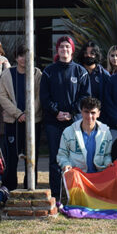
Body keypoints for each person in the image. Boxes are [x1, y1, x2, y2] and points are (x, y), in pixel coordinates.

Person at [39, 36, 90, 197]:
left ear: (72, 50)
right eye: (61, 47)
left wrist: (72, 112)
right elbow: (44, 97)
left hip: (74, 122)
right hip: (53, 123)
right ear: (57, 50)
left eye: (67, 47)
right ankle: (56, 194)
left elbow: (85, 96)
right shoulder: (48, 71)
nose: (64, 49)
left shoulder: (80, 72)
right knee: (55, 160)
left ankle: (74, 194)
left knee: (75, 159)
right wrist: (57, 112)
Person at [0, 43, 41, 191]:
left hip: (33, 121)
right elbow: (2, 97)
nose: (24, 59)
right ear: (16, 57)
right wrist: (18, 114)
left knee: (32, 155)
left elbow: (39, 97)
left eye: (27, 55)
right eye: (21, 55)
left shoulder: (37, 74)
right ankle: (9, 188)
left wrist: (29, 114)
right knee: (11, 156)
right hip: (12, 121)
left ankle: (31, 185)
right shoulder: (7, 74)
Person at [58, 96, 113, 176]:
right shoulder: (68, 131)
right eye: (86, 112)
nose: (89, 116)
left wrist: (108, 163)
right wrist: (66, 164)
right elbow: (62, 154)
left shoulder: (106, 132)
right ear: (81, 112)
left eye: (93, 113)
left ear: (98, 114)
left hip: (98, 176)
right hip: (77, 177)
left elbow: (107, 154)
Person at [79, 40, 110, 106]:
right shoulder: (76, 72)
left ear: (97, 55)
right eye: (86, 53)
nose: (88, 55)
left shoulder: (104, 75)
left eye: (92, 53)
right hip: (79, 113)